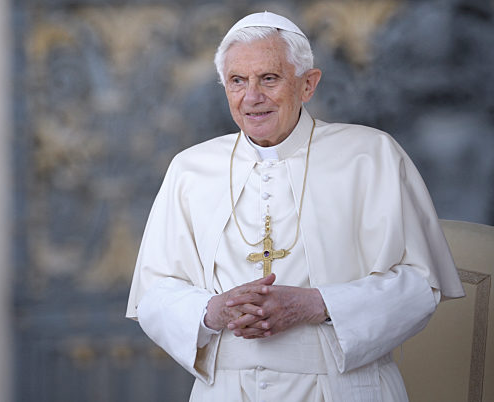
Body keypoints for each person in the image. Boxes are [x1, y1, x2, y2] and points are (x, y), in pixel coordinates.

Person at [126, 11, 464, 402]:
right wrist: (212, 311)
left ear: (308, 85)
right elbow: (154, 293)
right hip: (226, 391)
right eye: (238, 81)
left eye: (269, 78)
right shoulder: (190, 169)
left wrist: (316, 304)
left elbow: (420, 284)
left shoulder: (371, 155)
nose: (252, 97)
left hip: (343, 388)